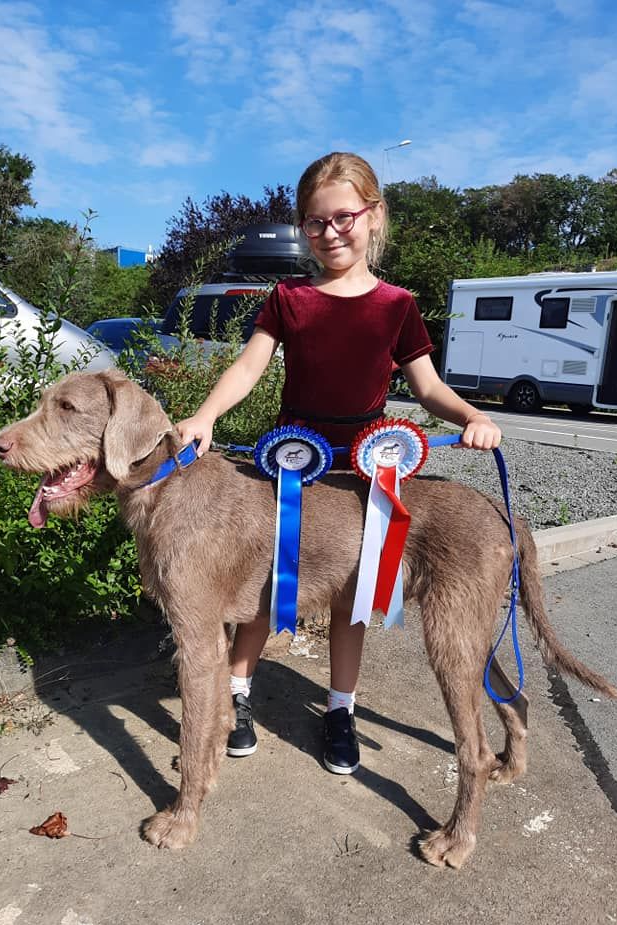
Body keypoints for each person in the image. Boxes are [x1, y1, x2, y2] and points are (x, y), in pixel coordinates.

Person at [177, 151, 501, 776]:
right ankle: (235, 698)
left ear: (373, 216)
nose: (329, 233)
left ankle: (340, 708)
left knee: (352, 598)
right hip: (290, 467)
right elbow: (248, 367)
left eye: (343, 218)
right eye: (315, 222)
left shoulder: (397, 306)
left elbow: (428, 388)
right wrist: (204, 415)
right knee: (268, 587)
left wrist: (471, 420)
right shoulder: (289, 298)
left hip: (363, 476)